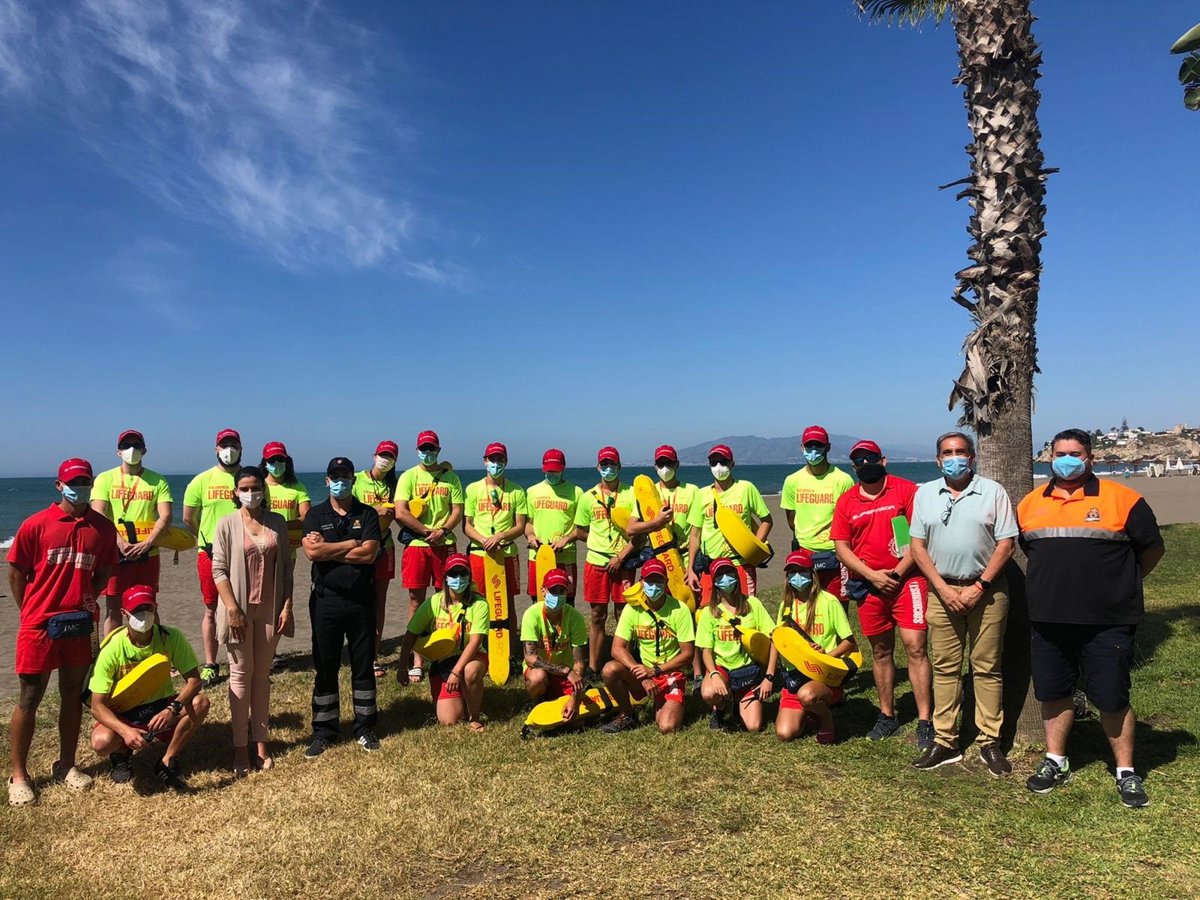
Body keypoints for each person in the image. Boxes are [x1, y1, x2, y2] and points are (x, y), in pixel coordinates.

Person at [1018, 429, 1165, 808]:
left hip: (1108, 620)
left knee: (1112, 697)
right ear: (1050, 457)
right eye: (1060, 454)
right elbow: (1033, 550)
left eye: (1076, 453)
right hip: (1049, 619)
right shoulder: (1030, 504)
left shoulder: (1124, 499)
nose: (1067, 460)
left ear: (1091, 459)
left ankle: (1126, 771)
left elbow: (1152, 549)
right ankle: (1056, 760)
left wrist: (1122, 585)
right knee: (1053, 693)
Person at [7, 459, 117, 807]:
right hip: (39, 625)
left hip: (79, 623)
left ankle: (66, 764)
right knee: (30, 697)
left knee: (71, 693)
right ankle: (19, 774)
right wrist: (30, 609)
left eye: (85, 481)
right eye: (73, 482)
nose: (80, 487)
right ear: (59, 485)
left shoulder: (102, 528)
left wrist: (88, 597)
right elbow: (16, 573)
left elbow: (104, 571)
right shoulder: (36, 525)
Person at [909, 432, 1018, 775]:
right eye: (947, 452)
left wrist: (978, 586)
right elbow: (917, 546)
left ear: (972, 457)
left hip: (987, 592)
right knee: (945, 668)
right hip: (942, 591)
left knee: (986, 667)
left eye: (960, 451)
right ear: (938, 459)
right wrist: (942, 588)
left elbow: (1006, 544)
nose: (954, 457)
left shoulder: (993, 492)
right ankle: (945, 740)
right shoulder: (925, 494)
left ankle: (989, 740)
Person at [831, 439, 933, 748]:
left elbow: (917, 538)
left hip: (908, 581)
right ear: (853, 467)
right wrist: (872, 576)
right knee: (880, 651)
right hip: (869, 586)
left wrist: (897, 574)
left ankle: (926, 720)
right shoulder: (847, 501)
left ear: (883, 460)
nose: (866, 464)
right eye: (859, 461)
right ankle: (887, 715)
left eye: (871, 458)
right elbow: (842, 547)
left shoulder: (905, 490)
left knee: (916, 647)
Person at [212, 466, 295, 777]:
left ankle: (260, 742)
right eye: (244, 488)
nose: (250, 493)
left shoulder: (278, 523)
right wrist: (232, 608)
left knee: (261, 676)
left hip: (270, 611)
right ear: (235, 492)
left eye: (255, 487)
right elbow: (218, 570)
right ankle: (239, 747)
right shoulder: (226, 524)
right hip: (238, 612)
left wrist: (287, 606)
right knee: (240, 676)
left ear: (264, 489)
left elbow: (286, 568)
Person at [88, 585, 210, 791]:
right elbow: (96, 706)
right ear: (124, 613)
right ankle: (121, 754)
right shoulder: (112, 648)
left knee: (201, 703)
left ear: (156, 608)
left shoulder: (170, 637)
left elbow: (194, 681)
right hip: (124, 712)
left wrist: (172, 709)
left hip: (161, 707)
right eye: (136, 610)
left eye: (148, 608)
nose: (143, 614)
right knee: (101, 742)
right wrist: (125, 731)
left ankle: (167, 759)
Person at [301, 457, 383, 757]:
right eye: (335, 477)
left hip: (361, 599)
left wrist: (329, 549)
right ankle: (324, 730)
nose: (340, 481)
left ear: (353, 479)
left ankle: (364, 727)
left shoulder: (367, 513)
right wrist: (351, 543)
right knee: (326, 665)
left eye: (345, 476)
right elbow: (312, 553)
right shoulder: (315, 514)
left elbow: (369, 555)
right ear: (327, 481)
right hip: (326, 600)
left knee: (363, 664)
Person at [766, 550, 857, 744]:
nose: (797, 576)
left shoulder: (829, 601)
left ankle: (825, 716)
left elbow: (849, 642)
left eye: (802, 571)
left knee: (807, 695)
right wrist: (769, 676)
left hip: (822, 675)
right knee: (784, 733)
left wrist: (827, 656)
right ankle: (809, 711)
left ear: (812, 573)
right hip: (795, 676)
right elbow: (777, 639)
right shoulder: (786, 606)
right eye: (792, 572)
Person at [395, 429, 465, 683]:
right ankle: (417, 659)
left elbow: (457, 510)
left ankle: (446, 653)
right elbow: (401, 512)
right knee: (416, 601)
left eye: (431, 448)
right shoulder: (408, 476)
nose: (427, 452)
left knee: (447, 599)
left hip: (444, 544)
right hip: (417, 545)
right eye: (423, 448)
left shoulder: (451, 478)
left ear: (438, 450)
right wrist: (426, 531)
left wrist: (442, 530)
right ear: (417, 450)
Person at [90, 429, 173, 636]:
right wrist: (119, 542)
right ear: (118, 452)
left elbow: (165, 515)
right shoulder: (105, 479)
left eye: (136, 445)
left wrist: (148, 543)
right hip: (115, 554)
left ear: (144, 450)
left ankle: (154, 649)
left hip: (148, 553)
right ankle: (113, 651)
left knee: (149, 605)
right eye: (126, 446)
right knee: (114, 608)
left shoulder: (158, 480)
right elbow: (98, 512)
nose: (132, 449)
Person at [599, 558, 695, 734]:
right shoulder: (632, 609)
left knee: (667, 727)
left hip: (669, 672)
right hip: (644, 672)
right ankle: (627, 714)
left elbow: (688, 654)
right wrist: (641, 673)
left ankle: (670, 701)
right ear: (641, 582)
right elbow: (616, 649)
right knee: (609, 669)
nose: (654, 586)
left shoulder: (679, 609)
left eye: (659, 581)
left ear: (666, 582)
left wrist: (656, 671)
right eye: (650, 581)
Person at [397, 553, 488, 731]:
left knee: (470, 671)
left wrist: (456, 672)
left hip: (472, 657)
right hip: (443, 661)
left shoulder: (479, 604)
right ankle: (459, 691)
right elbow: (410, 634)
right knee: (449, 721)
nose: (458, 578)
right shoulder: (434, 602)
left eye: (463, 573)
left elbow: (475, 641)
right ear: (445, 577)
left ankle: (474, 717)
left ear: (469, 576)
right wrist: (401, 668)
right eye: (453, 574)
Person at [182, 427, 243, 686]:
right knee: (211, 608)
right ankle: (210, 663)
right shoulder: (201, 480)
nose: (229, 450)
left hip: (243, 552)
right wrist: (207, 539)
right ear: (216, 449)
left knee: (242, 605)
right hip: (209, 553)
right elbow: (188, 517)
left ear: (241, 448)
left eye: (234, 445)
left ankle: (240, 659)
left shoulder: (250, 478)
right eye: (224, 445)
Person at [463, 441, 528, 671]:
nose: (496, 464)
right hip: (480, 554)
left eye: (500, 459)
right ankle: (479, 651)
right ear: (485, 461)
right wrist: (484, 540)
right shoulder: (472, 489)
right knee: (478, 602)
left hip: (506, 553)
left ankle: (509, 653)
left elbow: (520, 526)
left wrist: (500, 536)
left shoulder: (516, 491)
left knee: (506, 603)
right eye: (492, 459)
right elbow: (467, 526)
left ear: (506, 462)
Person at [575, 446, 637, 678]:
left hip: (624, 562)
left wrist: (620, 556)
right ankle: (593, 666)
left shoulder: (631, 494)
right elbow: (581, 530)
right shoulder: (587, 497)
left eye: (612, 464)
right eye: (604, 464)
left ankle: (624, 662)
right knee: (597, 615)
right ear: (597, 467)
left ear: (619, 467)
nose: (608, 468)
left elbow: (639, 535)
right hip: (596, 562)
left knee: (623, 614)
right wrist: (599, 546)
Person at [695, 558, 774, 733]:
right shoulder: (709, 612)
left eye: (729, 573)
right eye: (720, 575)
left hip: (748, 669)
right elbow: (706, 651)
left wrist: (769, 676)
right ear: (715, 582)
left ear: (736, 576)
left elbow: (773, 637)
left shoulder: (753, 604)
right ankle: (721, 706)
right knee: (708, 692)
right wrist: (714, 674)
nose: (725, 578)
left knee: (753, 726)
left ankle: (739, 698)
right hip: (722, 667)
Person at [780, 425, 855, 600]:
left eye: (818, 445)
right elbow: (791, 520)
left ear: (828, 447)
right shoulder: (792, 481)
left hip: (836, 552)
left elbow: (849, 520)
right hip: (804, 551)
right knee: (805, 602)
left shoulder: (843, 480)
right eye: (809, 446)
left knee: (837, 604)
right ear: (802, 447)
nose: (813, 450)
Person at [259, 440, 309, 672]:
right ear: (265, 462)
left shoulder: (297, 487)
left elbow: (306, 516)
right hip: (260, 551)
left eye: (281, 459)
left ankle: (271, 651)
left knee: (280, 601)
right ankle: (262, 651)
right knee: (260, 599)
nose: (277, 463)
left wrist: (280, 525)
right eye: (272, 460)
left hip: (288, 552)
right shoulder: (259, 486)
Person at [353, 440, 399, 679]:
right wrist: (374, 510)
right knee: (360, 600)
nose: (385, 459)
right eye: (382, 454)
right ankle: (358, 652)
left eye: (390, 456)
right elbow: (347, 511)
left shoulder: (395, 485)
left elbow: (404, 511)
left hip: (385, 545)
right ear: (374, 456)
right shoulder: (357, 480)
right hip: (361, 546)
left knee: (379, 603)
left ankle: (373, 655)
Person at [521, 568, 587, 721]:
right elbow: (530, 658)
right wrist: (565, 671)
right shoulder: (531, 614)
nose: (557, 596)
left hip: (566, 673)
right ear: (543, 591)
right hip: (544, 670)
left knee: (576, 722)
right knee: (537, 678)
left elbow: (579, 663)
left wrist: (574, 698)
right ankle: (538, 706)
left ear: (567, 592)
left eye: (561, 591)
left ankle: (562, 698)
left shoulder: (575, 617)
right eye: (553, 591)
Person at [524, 449, 584, 604]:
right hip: (538, 556)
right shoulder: (532, 491)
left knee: (567, 602)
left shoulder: (576, 492)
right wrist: (530, 536)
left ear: (563, 468)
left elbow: (581, 528)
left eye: (556, 471)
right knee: (538, 600)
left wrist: (566, 539)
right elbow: (529, 523)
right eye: (549, 470)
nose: (552, 474)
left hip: (565, 557)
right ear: (543, 468)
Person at [626, 443, 698, 571]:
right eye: (661, 464)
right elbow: (631, 529)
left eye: (669, 463)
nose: (665, 468)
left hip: (686, 558)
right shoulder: (648, 494)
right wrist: (657, 522)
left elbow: (697, 532)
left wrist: (692, 566)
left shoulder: (692, 491)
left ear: (677, 464)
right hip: (659, 558)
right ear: (655, 467)